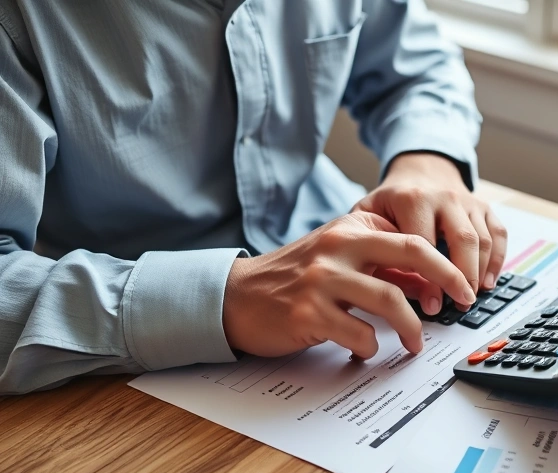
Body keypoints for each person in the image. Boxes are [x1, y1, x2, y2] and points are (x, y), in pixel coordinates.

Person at [0, 0, 507, 395]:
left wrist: (428, 164)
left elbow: (417, 67)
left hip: (360, 279)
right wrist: (223, 299)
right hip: (111, 370)